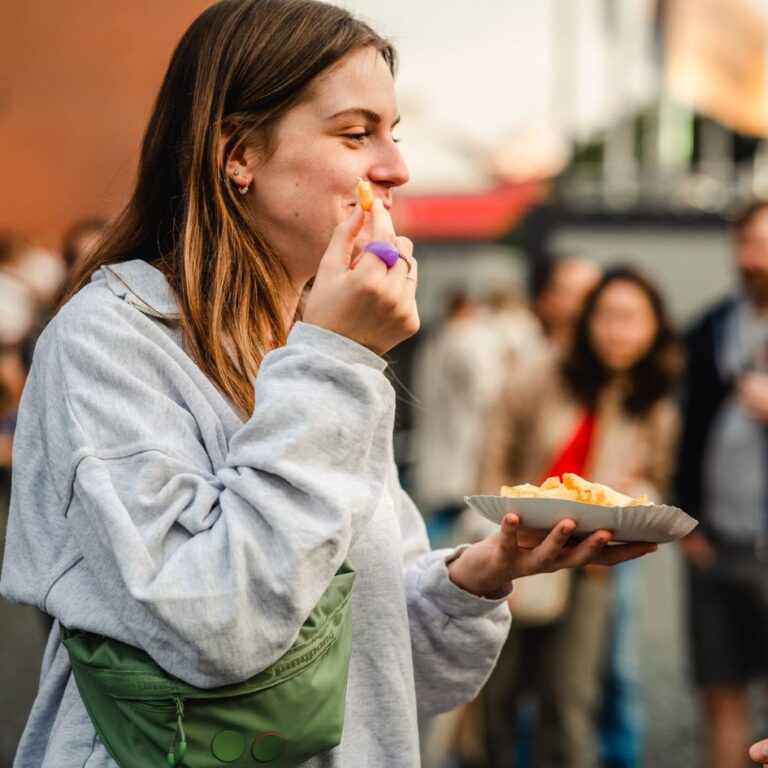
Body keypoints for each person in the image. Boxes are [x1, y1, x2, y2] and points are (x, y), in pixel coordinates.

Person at [0, 2, 654, 766]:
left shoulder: (313, 343)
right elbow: (218, 628)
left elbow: (370, 665)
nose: (397, 168)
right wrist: (337, 359)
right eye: (356, 133)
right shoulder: (110, 341)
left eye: (395, 133)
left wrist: (481, 572)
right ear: (238, 152)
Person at [473, 266, 681, 768]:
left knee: (569, 703)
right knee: (491, 700)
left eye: (632, 319)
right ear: (588, 321)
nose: (618, 330)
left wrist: (640, 493)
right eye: (608, 316)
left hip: (591, 568)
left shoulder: (655, 402)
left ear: (654, 328)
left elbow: (656, 479)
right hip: (515, 552)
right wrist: (496, 531)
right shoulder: (540, 372)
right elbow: (493, 457)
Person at [677, 200, 768, 768]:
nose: (750, 258)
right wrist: (688, 521)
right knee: (718, 688)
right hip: (715, 540)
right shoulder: (711, 326)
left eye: (760, 244)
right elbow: (684, 430)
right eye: (742, 245)